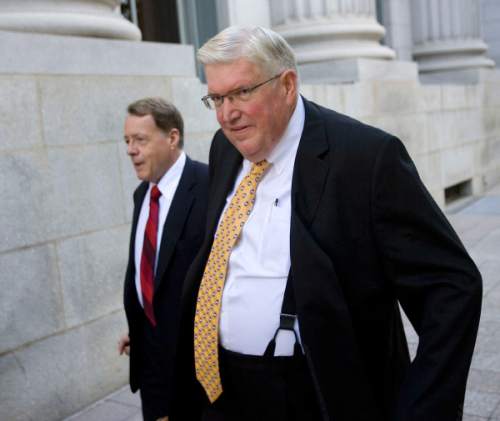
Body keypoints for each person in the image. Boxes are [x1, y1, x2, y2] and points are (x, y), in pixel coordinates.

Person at [171, 26, 482, 421]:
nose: (227, 114)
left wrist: (422, 408)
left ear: (287, 85)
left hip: (318, 395)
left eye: (242, 93)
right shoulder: (224, 147)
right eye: (216, 97)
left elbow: (452, 287)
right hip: (222, 393)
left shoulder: (366, 158)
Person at [118, 97, 208, 421]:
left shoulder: (210, 185)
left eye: (140, 139)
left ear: (172, 138)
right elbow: (153, 271)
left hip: (195, 370)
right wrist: (143, 322)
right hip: (150, 363)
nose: (130, 149)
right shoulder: (142, 194)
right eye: (127, 141)